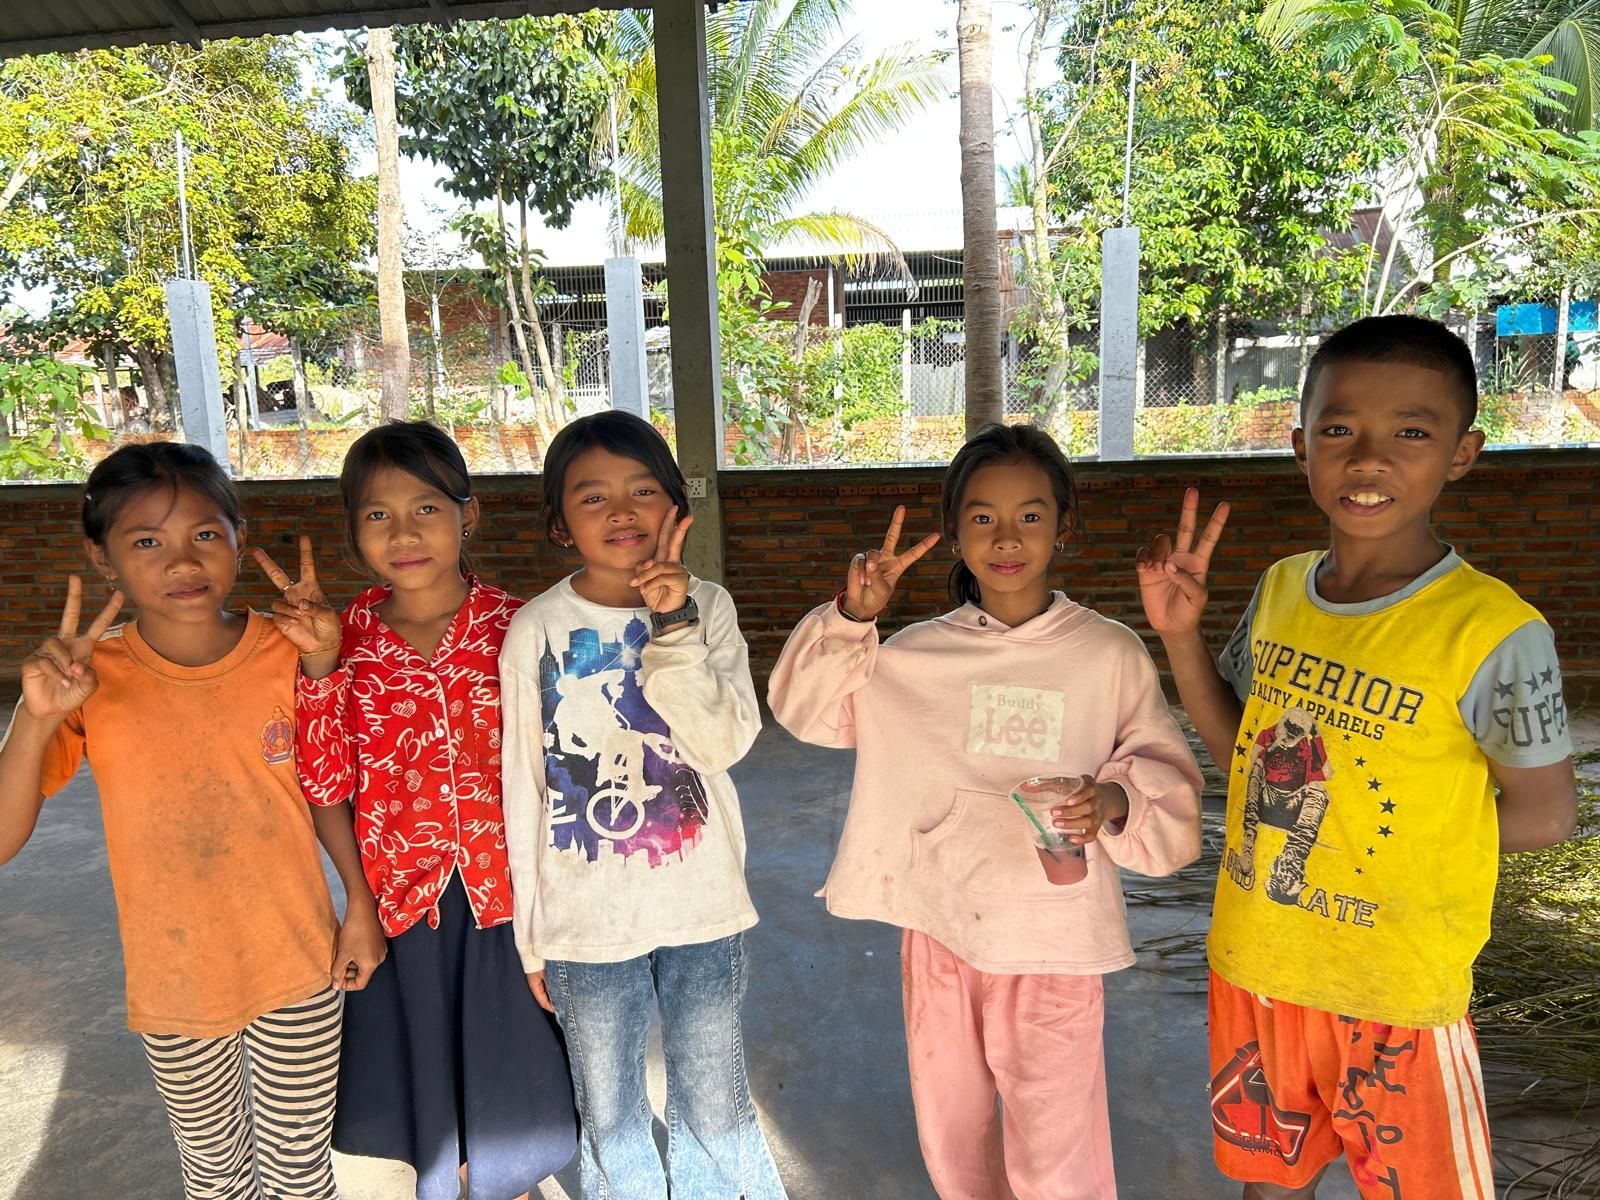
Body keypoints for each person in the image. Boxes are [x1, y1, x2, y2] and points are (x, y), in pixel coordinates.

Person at [1136, 314, 1579, 1200]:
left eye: (1411, 432)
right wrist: (1180, 638)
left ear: (1463, 452)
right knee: (1272, 1185)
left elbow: (1544, 815)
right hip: (1258, 964)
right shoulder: (1280, 590)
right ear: (1302, 446)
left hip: (1397, 992)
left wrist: (1400, 848)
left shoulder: (1492, 631)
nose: (1369, 459)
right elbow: (1245, 761)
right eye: (1340, 430)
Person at [768, 422, 1204, 1200]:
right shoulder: (911, 657)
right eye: (983, 518)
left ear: (1064, 527)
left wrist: (1110, 799)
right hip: (942, 933)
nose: (1007, 537)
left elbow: (1165, 789)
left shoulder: (1107, 654)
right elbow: (804, 711)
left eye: (1031, 515)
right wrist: (852, 618)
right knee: (955, 1142)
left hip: (1056, 946)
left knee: (1057, 1157)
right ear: (954, 532)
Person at [0, 441, 350, 1200]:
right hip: (175, 975)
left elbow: (339, 785)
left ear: (239, 537)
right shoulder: (92, 680)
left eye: (204, 535)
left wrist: (324, 667)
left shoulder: (289, 652)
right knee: (214, 1173)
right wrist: (33, 720)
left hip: (299, 963)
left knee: (301, 1168)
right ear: (103, 560)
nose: (182, 561)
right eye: (147, 542)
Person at [277, 421, 577, 1200]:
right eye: (377, 515)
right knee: (432, 1112)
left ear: (467, 515)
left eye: (427, 509)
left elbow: (568, 769)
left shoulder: (525, 627)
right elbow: (326, 781)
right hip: (407, 909)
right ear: (353, 532)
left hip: (510, 906)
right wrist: (358, 907)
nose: (404, 533)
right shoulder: (345, 642)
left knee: (517, 1100)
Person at [500, 411, 787, 1200]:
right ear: (560, 524)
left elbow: (722, 742)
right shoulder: (535, 629)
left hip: (700, 906)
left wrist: (672, 625)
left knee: (714, 1096)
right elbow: (521, 782)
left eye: (643, 491)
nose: (622, 513)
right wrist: (533, 935)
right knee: (613, 1110)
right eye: (592, 498)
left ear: (677, 508)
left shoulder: (710, 607)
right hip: (584, 919)